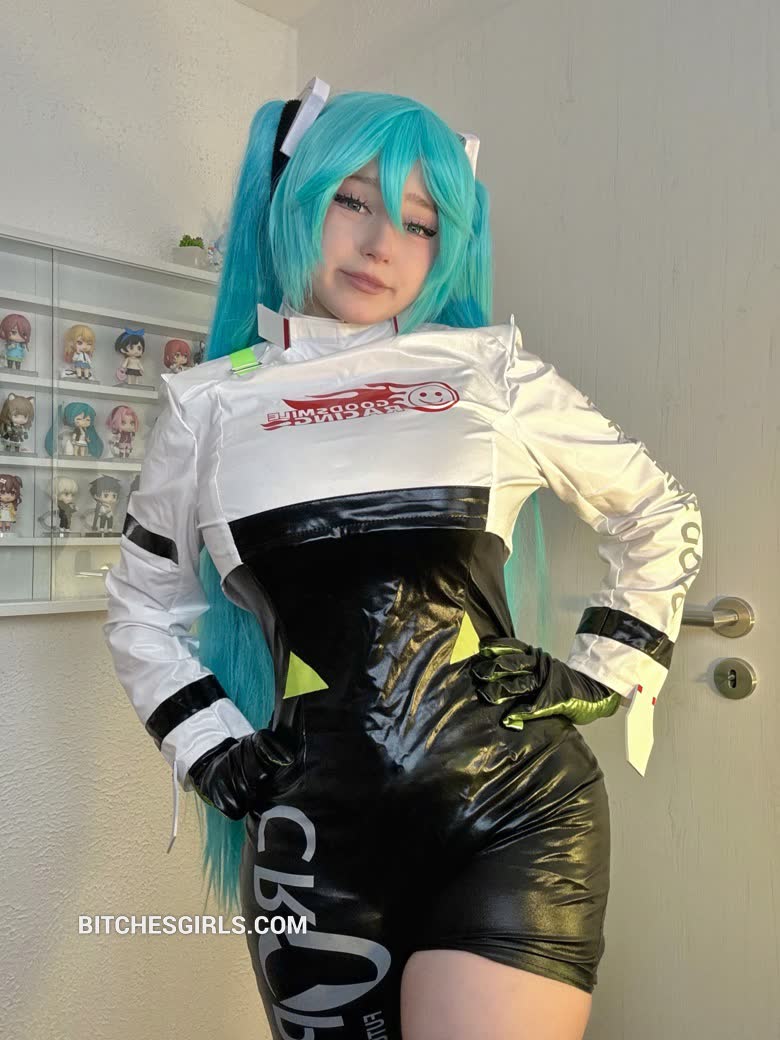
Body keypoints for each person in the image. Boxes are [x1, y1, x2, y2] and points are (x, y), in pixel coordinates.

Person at [102, 79, 704, 1040]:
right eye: (353, 200)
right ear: (295, 201)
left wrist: (602, 674)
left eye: (421, 222)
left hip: (516, 817)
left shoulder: (492, 375)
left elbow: (658, 513)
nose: (383, 242)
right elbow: (140, 606)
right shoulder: (207, 405)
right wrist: (211, 749)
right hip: (313, 840)